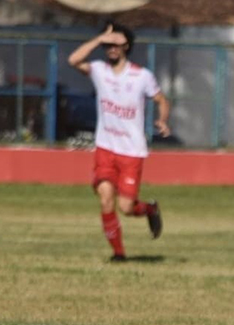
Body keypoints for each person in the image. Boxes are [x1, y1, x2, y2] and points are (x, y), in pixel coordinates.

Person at [68, 23, 170, 262]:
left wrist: (163, 120)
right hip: (105, 148)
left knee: (126, 207)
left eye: (116, 43)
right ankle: (119, 253)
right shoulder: (98, 70)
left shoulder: (141, 76)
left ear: (126, 46)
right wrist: (99, 37)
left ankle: (149, 209)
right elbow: (73, 59)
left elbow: (162, 100)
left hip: (131, 151)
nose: (111, 48)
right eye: (108, 44)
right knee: (106, 199)